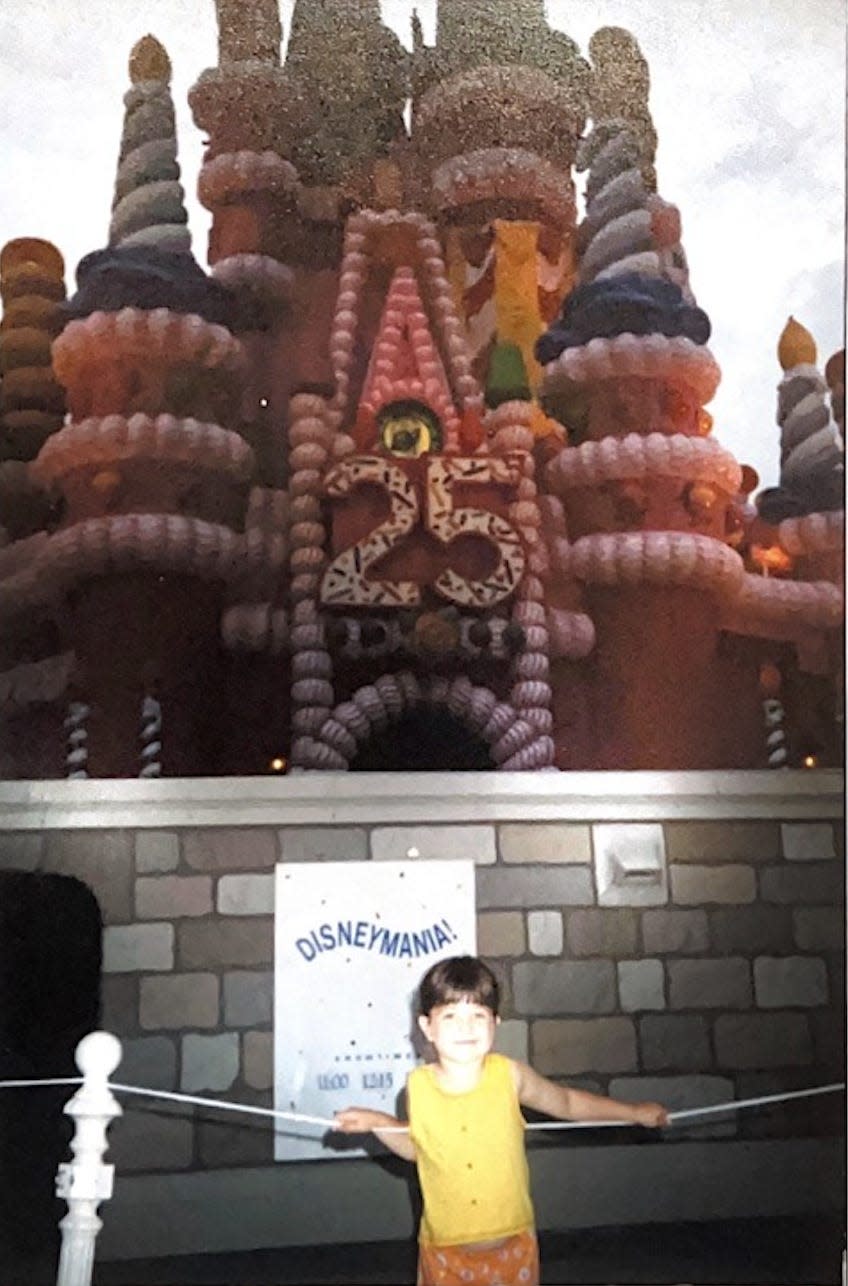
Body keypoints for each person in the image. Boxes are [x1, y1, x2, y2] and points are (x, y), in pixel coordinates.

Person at [333, 955, 669, 1286]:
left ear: (495, 1022)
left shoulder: (510, 1075)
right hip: (444, 1254)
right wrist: (377, 1122)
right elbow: (420, 1149)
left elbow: (567, 1103)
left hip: (512, 1250)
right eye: (450, 1015)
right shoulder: (417, 1087)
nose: (465, 1027)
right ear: (427, 1027)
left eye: (477, 1015)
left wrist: (633, 1113)